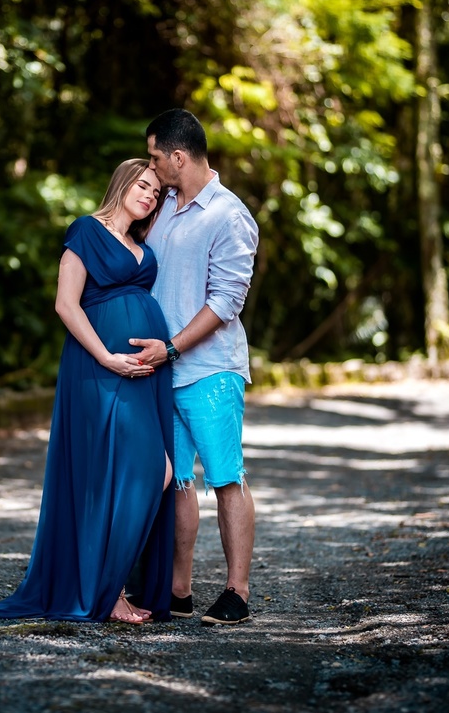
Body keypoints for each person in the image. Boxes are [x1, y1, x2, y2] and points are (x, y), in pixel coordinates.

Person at [0, 158, 176, 624]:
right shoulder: (86, 230)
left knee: (153, 472)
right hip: (99, 371)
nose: (148, 196)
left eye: (156, 193)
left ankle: (109, 584)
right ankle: (108, 591)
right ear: (121, 183)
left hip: (143, 376)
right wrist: (105, 357)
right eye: (142, 186)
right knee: (129, 474)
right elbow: (65, 303)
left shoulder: (138, 243)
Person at [129, 108, 259, 626]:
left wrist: (173, 348)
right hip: (162, 373)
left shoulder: (229, 215)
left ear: (178, 157)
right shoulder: (161, 207)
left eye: (157, 158)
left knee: (225, 477)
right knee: (178, 482)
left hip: (210, 371)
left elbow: (227, 300)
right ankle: (177, 591)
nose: (153, 167)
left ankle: (237, 593)